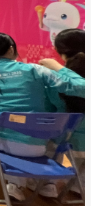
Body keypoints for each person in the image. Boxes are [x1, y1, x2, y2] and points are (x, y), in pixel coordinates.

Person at [0, 33, 85, 200]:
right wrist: (59, 67)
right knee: (39, 133)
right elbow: (82, 87)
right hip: (34, 147)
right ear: (11, 49)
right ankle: (40, 184)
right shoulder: (36, 71)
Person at [39, 28, 85, 197]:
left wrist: (57, 68)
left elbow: (49, 107)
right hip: (81, 145)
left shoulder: (57, 76)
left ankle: (48, 183)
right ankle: (81, 184)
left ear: (59, 50)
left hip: (66, 140)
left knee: (50, 133)